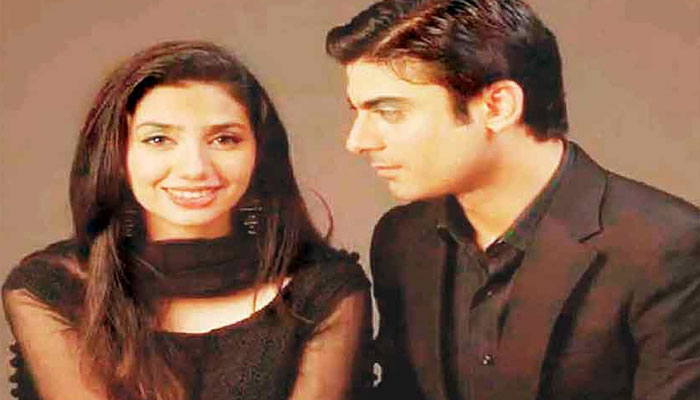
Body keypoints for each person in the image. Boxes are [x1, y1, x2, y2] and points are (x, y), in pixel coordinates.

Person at [326, 1, 700, 399]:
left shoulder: (666, 248)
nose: (357, 141)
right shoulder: (402, 238)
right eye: (357, 112)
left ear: (498, 107)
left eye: (389, 112)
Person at [3, 40, 371, 400]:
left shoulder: (324, 291)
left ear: (259, 153)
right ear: (116, 154)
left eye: (224, 139)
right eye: (158, 139)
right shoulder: (51, 290)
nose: (195, 168)